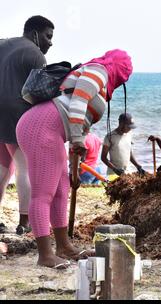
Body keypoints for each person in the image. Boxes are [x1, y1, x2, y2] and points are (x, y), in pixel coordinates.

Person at [16, 49, 133, 269]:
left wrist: (75, 169)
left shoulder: (101, 80)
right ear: (119, 68)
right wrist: (78, 139)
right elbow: (78, 101)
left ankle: (63, 247)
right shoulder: (99, 71)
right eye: (124, 74)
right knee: (43, 194)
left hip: (51, 131)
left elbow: (79, 127)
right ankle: (45, 256)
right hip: (40, 127)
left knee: (62, 189)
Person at [0, 16, 54, 235]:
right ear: (35, 34)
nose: (50, 42)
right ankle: (25, 222)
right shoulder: (36, 55)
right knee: (25, 168)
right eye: (48, 36)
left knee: (3, 168)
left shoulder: (2, 43)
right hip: (17, 114)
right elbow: (40, 94)